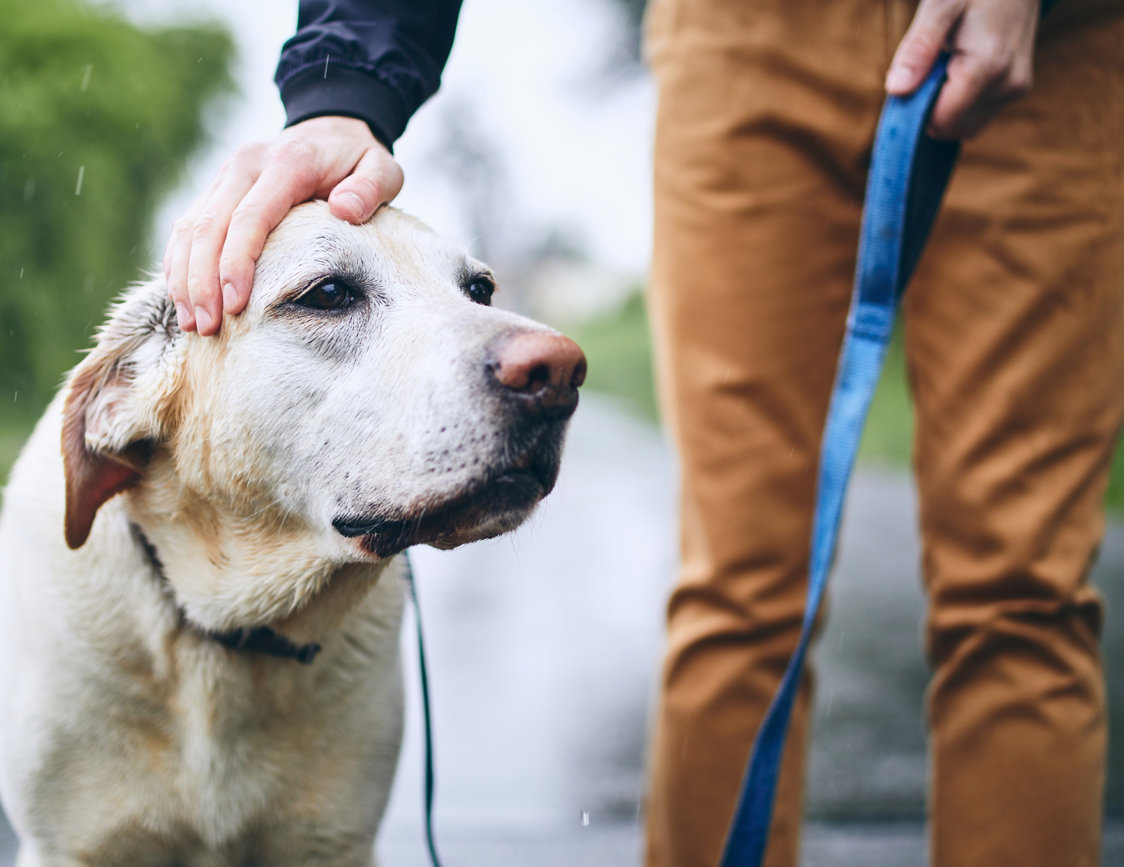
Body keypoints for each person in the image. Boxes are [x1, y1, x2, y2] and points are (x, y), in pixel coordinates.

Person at [163, 1, 1124, 865]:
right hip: (748, 36)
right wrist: (345, 85)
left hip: (1053, 41)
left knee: (1020, 594)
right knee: (743, 586)